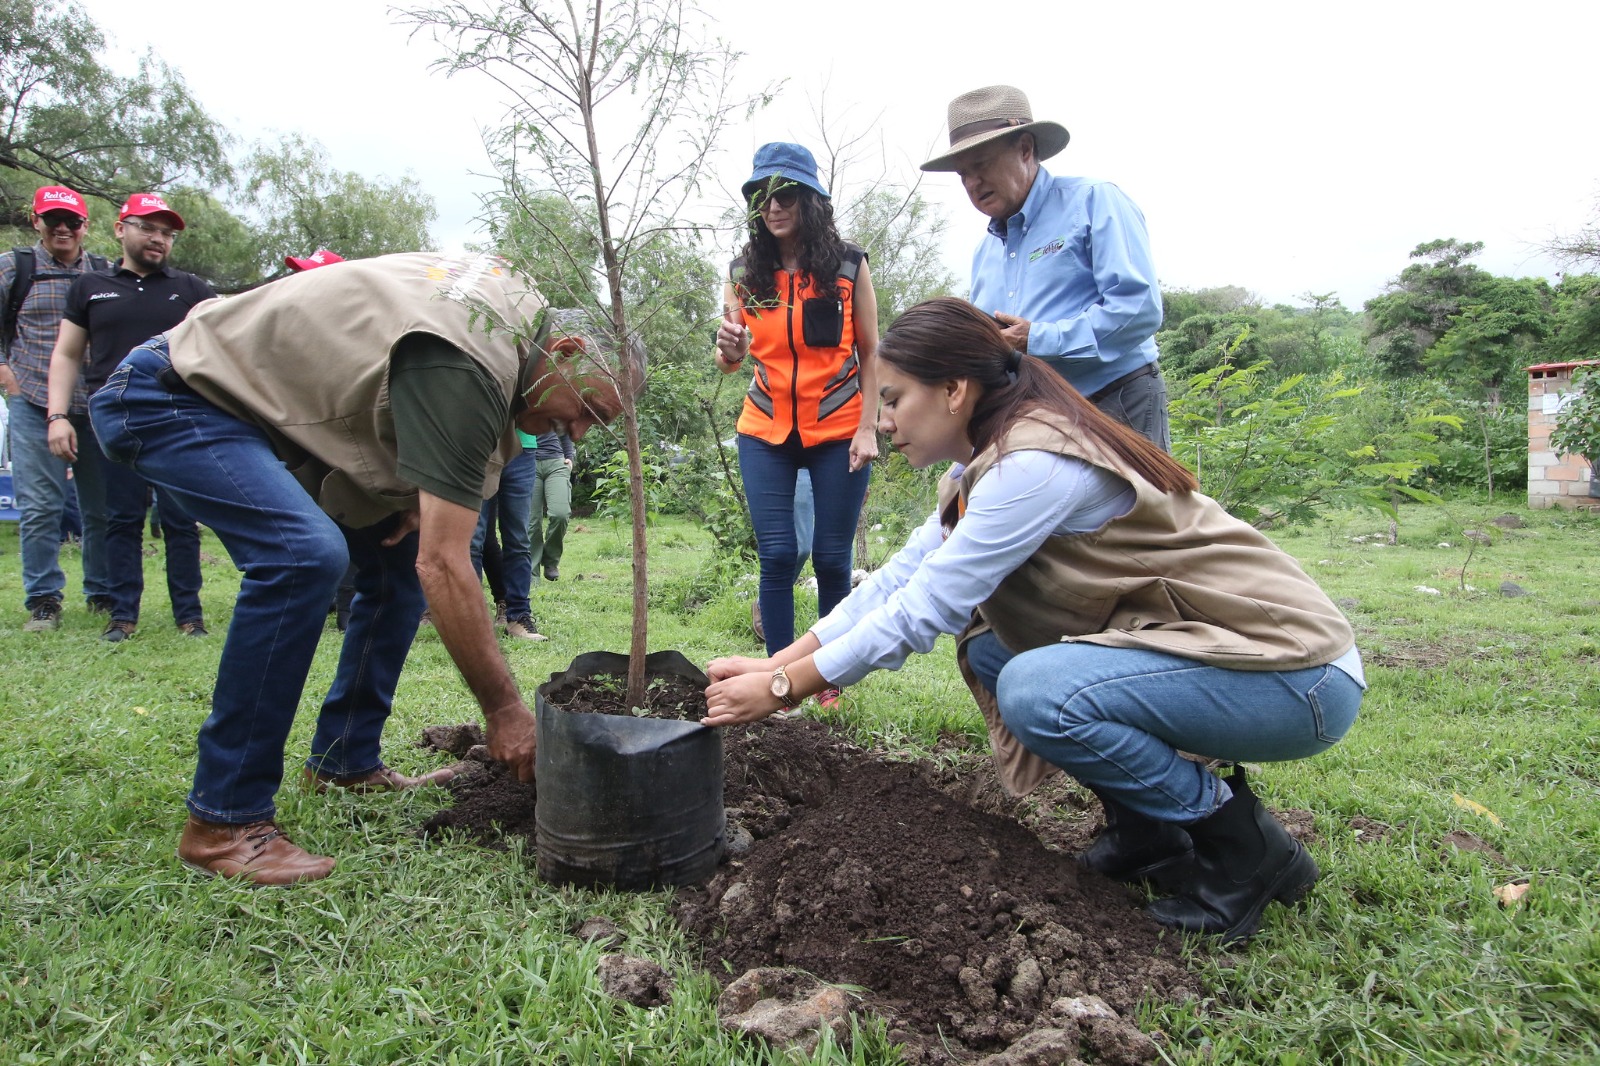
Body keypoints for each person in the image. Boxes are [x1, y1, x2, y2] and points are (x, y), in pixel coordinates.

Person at [704, 298, 1365, 946]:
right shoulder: (987, 465)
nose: (882, 421)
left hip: (1297, 675)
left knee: (1036, 689)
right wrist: (774, 663)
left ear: (954, 390)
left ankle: (1244, 845)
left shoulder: (1034, 466)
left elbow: (923, 610)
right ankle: (1147, 833)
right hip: (1229, 657)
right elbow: (899, 580)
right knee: (995, 648)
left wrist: (783, 691)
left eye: (894, 398)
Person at [87, 251, 626, 886]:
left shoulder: (513, 322)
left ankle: (344, 760)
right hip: (174, 393)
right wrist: (505, 709)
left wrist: (406, 503)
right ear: (563, 353)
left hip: (247, 410)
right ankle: (223, 821)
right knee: (302, 556)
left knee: (396, 563)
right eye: (589, 410)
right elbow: (447, 566)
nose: (581, 432)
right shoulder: (473, 360)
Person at [715, 142, 880, 705]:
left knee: (834, 558)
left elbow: (872, 350)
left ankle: (827, 678)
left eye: (786, 194)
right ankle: (776, 679)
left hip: (839, 425)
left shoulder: (847, 264)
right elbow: (731, 357)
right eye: (762, 196)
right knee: (780, 554)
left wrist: (869, 426)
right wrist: (729, 346)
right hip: (765, 429)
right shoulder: (743, 271)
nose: (774, 206)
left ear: (811, 200)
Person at [923, 86, 1170, 450]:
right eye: (962, 174)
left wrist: (1038, 338)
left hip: (1117, 399)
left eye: (981, 165)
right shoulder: (984, 252)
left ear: (1025, 149)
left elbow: (1139, 310)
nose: (972, 184)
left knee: (1138, 508)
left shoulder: (1093, 201)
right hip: (1037, 417)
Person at [47, 193, 217, 640]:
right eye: (148, 228)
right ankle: (122, 615)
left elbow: (221, 347)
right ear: (121, 229)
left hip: (178, 419)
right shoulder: (89, 287)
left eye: (167, 233)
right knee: (120, 518)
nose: (158, 239)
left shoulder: (191, 290)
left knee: (181, 519)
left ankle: (190, 616)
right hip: (116, 419)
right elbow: (66, 354)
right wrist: (57, 415)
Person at [1, 185, 113, 631]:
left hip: (95, 403)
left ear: (85, 226)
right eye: (53, 220)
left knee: (102, 507)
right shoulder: (15, 267)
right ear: (36, 222)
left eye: (72, 221)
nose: (63, 229)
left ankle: (102, 591)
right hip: (32, 399)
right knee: (41, 505)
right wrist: (5, 371)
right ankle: (43, 599)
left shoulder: (104, 272)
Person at [526, 429, 573, 583]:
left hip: (556, 461)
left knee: (560, 514)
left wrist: (570, 456)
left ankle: (551, 561)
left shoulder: (552, 404)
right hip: (527, 460)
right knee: (532, 521)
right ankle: (532, 574)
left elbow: (564, 429)